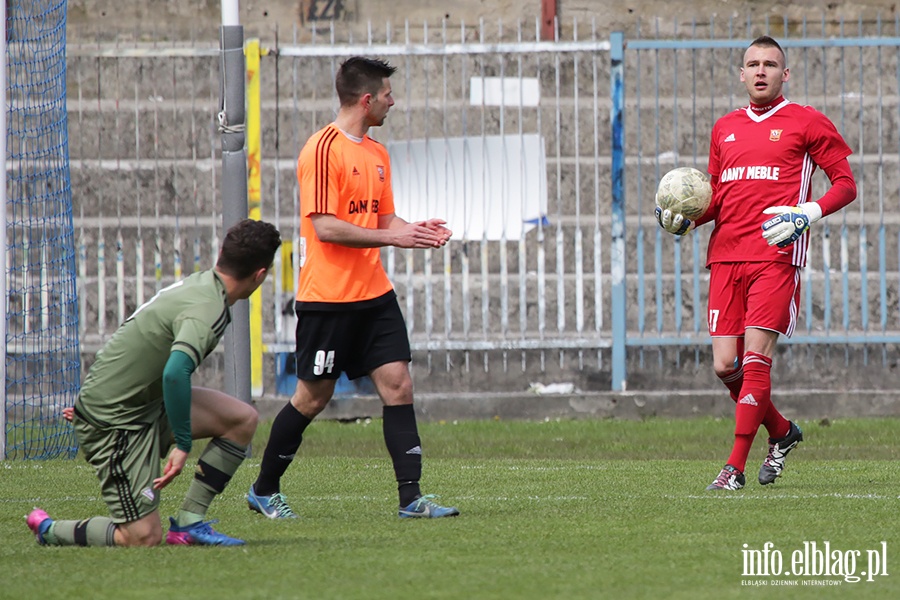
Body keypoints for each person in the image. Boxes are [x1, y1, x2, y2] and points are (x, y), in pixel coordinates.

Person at [246, 56, 458, 519]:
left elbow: (383, 220)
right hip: (328, 300)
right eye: (387, 94)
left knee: (399, 385)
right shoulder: (322, 150)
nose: (392, 101)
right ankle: (263, 488)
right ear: (367, 99)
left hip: (374, 295)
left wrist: (414, 231)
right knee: (312, 398)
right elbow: (324, 227)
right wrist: (391, 236)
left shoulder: (377, 153)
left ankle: (412, 498)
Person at [656, 36, 857, 490]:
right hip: (726, 257)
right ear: (741, 74)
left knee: (756, 361)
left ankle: (734, 468)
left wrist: (809, 212)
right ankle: (782, 433)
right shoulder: (724, 127)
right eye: (753, 64)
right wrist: (685, 219)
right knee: (726, 367)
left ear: (785, 74)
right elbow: (714, 197)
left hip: (776, 255)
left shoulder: (806, 122)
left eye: (770, 64)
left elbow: (846, 184)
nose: (761, 70)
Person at [26, 218, 283, 546]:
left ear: (223, 253)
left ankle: (189, 523)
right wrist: (183, 443)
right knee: (142, 537)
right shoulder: (208, 309)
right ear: (260, 275)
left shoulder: (202, 285)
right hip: (118, 422)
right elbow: (175, 372)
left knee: (241, 419)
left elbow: (136, 340)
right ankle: (50, 529)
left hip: (138, 403)